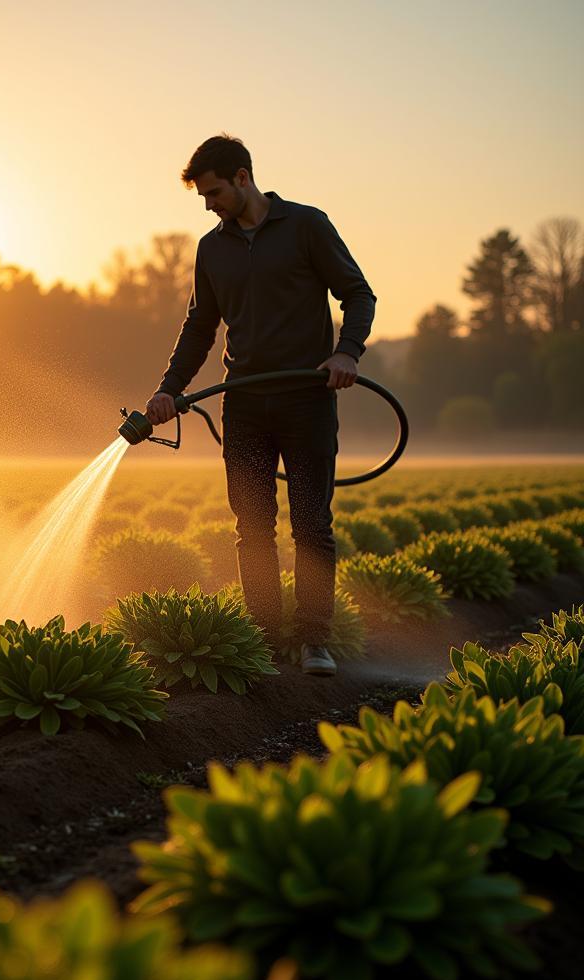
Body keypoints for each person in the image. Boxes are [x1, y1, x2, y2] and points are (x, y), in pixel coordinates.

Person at [145, 133, 376, 676]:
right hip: (244, 404)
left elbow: (358, 293)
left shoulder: (306, 226)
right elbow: (200, 326)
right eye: (203, 197)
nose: (209, 204)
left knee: (312, 525)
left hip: (306, 402)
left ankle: (314, 642)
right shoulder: (212, 248)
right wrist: (168, 389)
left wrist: (347, 352)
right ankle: (264, 643)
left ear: (243, 178)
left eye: (215, 192)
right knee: (252, 526)